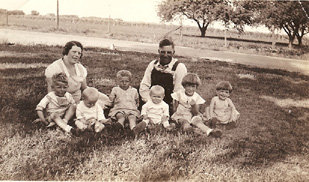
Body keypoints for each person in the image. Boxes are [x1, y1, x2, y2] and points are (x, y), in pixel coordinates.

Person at [139, 38, 187, 114]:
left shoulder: (179, 67)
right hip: (151, 100)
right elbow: (144, 86)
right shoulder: (153, 64)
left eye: (169, 52)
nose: (165, 55)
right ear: (158, 52)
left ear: (173, 52)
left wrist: (167, 107)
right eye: (163, 52)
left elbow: (179, 91)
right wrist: (150, 103)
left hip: (168, 103)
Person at [171, 73, 222, 137]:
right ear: (184, 86)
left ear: (196, 87)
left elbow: (195, 112)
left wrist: (193, 106)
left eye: (193, 86)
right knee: (184, 122)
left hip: (192, 115)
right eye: (188, 86)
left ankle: (210, 131)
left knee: (198, 122)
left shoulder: (197, 97)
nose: (190, 89)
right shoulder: (179, 94)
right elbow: (174, 106)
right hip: (181, 115)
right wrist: (174, 115)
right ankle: (189, 129)